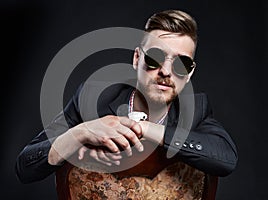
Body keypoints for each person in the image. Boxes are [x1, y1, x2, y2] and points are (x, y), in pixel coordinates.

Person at [16, 10, 237, 199]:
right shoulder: (95, 97)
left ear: (189, 73)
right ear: (136, 59)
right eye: (155, 58)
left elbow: (226, 159)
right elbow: (25, 167)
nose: (166, 72)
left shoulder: (196, 110)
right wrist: (80, 133)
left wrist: (144, 129)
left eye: (181, 63)